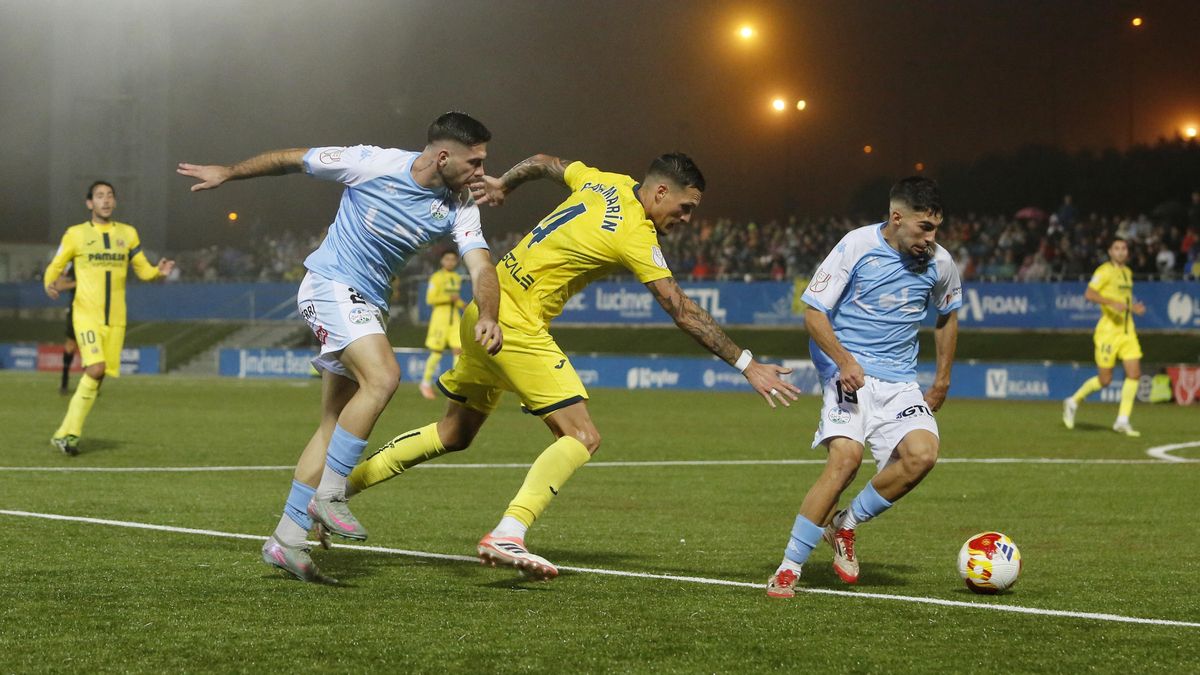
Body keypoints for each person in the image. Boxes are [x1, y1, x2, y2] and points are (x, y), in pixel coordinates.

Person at [347, 152, 802, 581]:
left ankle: (336, 490)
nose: (686, 219)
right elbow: (681, 310)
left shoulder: (602, 180)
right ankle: (510, 533)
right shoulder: (634, 232)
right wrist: (747, 363)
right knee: (582, 436)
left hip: (483, 309)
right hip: (515, 322)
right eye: (685, 208)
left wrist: (505, 182)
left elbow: (546, 162)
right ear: (660, 192)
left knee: (453, 434)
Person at [177, 112, 504, 584]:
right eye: (475, 162)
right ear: (443, 156)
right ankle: (330, 494)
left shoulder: (460, 206)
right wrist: (229, 172)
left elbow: (480, 267)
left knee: (334, 424)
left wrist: (488, 314)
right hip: (330, 284)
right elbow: (292, 160)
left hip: (370, 303)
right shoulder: (372, 163)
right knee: (385, 377)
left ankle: (287, 541)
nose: (481, 171)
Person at [766, 176, 961, 598]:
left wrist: (942, 378)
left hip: (901, 381)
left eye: (936, 229)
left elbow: (947, 316)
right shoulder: (856, 246)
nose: (931, 239)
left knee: (922, 456)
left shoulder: (941, 263)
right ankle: (788, 567)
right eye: (924, 228)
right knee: (846, 461)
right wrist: (844, 360)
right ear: (896, 217)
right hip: (848, 371)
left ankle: (844, 524)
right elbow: (814, 313)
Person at [44, 181, 176, 456]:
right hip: (86, 315)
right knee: (95, 369)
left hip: (116, 318)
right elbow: (56, 264)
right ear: (89, 203)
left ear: (114, 202)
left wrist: (157, 272)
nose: (105, 200)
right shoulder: (75, 234)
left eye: (110, 196)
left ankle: (62, 434)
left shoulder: (127, 235)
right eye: (99, 196)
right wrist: (49, 282)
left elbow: (142, 270)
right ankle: (70, 434)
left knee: (98, 376)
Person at [1062, 238, 1145, 436]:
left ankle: (1122, 420)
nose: (1121, 252)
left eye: (1124, 248)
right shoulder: (1104, 271)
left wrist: (1133, 308)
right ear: (1110, 252)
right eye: (1117, 248)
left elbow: (1123, 302)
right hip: (1108, 333)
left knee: (1134, 374)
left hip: (1127, 331)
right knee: (1105, 380)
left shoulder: (1127, 272)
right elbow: (1089, 294)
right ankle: (1073, 401)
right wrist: (1110, 302)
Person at [419, 250, 465, 399]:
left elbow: (455, 299)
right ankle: (425, 383)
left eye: (453, 259)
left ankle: (454, 384)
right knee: (436, 352)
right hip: (440, 318)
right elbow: (430, 299)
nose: (450, 262)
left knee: (459, 350)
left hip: (455, 318)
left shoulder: (456, 277)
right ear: (442, 261)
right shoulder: (436, 277)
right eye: (447, 259)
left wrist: (464, 305)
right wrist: (448, 298)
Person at [48, 262, 78, 395]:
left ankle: (92, 384)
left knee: (93, 345)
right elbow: (59, 285)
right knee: (71, 344)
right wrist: (79, 283)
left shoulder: (97, 262)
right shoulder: (72, 265)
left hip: (95, 309)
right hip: (77, 309)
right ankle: (64, 381)